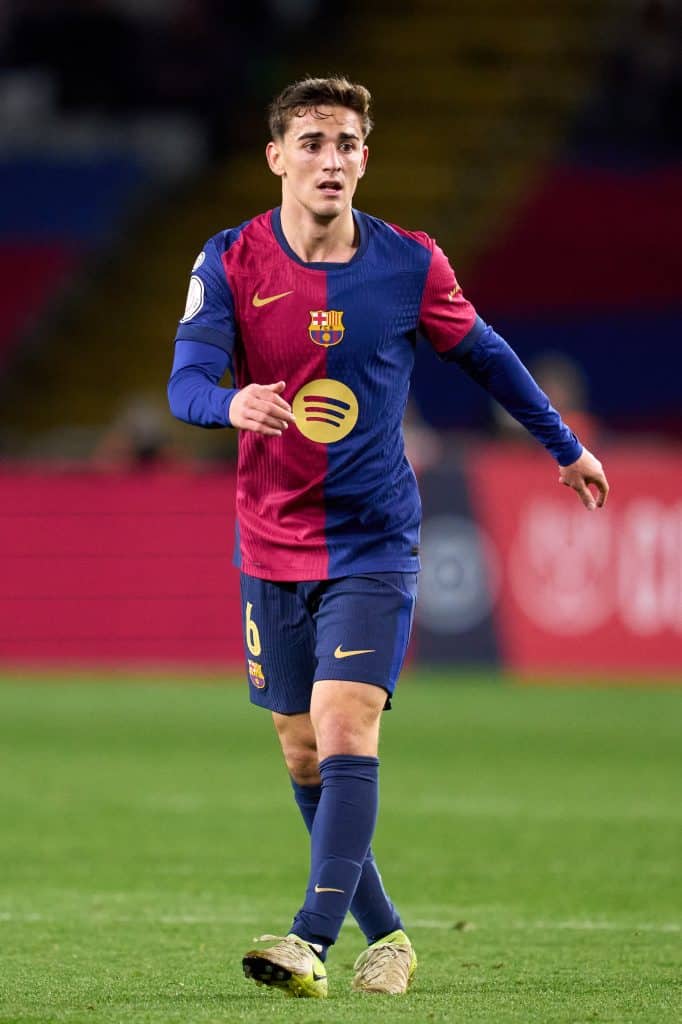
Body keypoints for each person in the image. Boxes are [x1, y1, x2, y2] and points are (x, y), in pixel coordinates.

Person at [167, 76, 609, 999]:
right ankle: (392, 937)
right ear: (277, 157)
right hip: (270, 541)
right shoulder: (230, 261)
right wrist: (229, 402)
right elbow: (186, 382)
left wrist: (563, 447)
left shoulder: (410, 263)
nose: (332, 159)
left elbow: (485, 352)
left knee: (342, 726)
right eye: (314, 142)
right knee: (300, 750)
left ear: (366, 158)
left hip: (373, 540)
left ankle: (309, 939)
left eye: (348, 144)